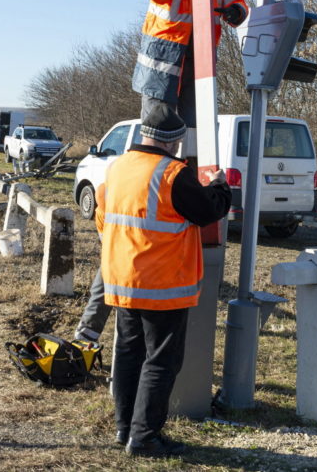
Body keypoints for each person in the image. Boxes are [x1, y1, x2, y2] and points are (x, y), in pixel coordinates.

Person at [98, 104, 230, 457]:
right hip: (163, 284)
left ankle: (124, 428)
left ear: (143, 134)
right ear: (174, 142)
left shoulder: (117, 167)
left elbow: (102, 220)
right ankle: (144, 438)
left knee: (129, 355)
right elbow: (207, 211)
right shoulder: (174, 173)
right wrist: (220, 186)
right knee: (160, 361)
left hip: (122, 278)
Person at [131, 0, 248, 129]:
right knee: (156, 128)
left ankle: (191, 163)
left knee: (196, 130)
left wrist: (235, 12)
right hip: (162, 63)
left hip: (198, 62)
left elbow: (239, 5)